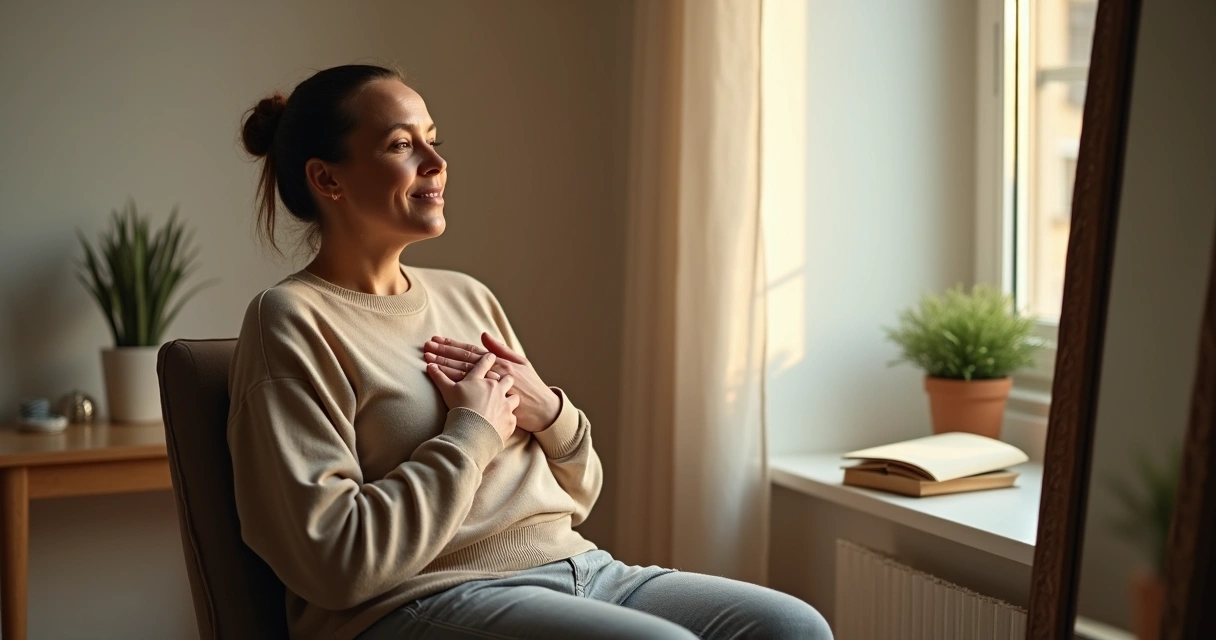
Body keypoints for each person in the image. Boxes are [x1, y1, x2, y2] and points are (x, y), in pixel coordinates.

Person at [229, 63, 832, 640]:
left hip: (581, 568)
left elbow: (579, 493)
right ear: (327, 179)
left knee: (791, 627)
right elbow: (335, 559)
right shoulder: (291, 319)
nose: (436, 163)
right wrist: (472, 433)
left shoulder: (468, 296)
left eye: (433, 140)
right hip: (425, 598)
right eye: (401, 145)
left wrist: (549, 413)